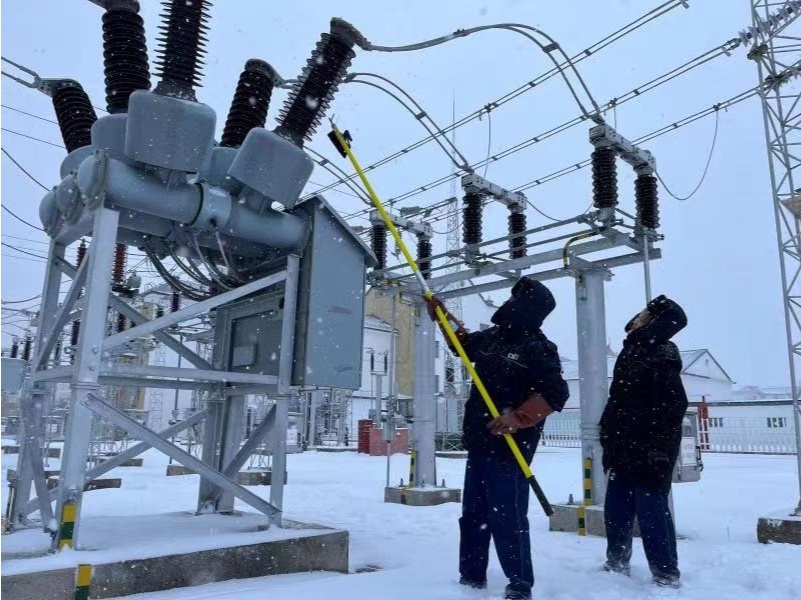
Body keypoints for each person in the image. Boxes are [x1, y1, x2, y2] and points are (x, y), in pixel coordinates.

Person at [426, 277, 569, 600]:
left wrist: (517, 418)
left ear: (528, 308)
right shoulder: (493, 338)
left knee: (507, 517)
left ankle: (519, 584)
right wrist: (444, 317)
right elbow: (462, 344)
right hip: (480, 442)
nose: (507, 303)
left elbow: (556, 393)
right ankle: (471, 577)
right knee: (473, 515)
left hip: (510, 449)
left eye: (515, 298)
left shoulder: (538, 348)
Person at [599, 295, 689, 588]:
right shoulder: (631, 352)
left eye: (643, 316)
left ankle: (666, 573)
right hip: (623, 447)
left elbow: (673, 406)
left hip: (649, 450)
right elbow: (617, 400)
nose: (636, 319)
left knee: (652, 512)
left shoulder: (661, 353)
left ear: (654, 323)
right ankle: (616, 563)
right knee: (616, 510)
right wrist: (607, 432)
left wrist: (658, 448)